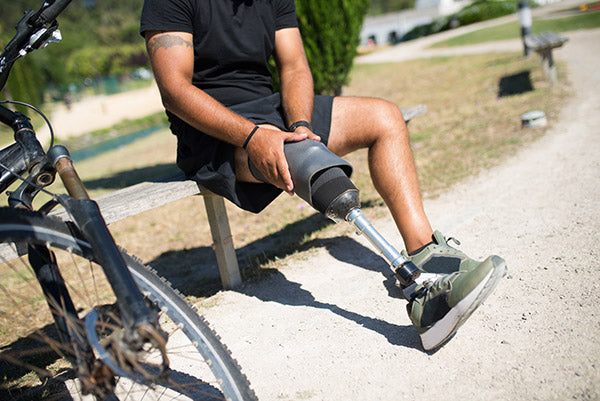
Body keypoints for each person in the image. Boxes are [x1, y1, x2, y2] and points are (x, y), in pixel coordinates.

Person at [139, 0, 506, 351]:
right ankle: (424, 298)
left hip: (274, 113)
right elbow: (175, 90)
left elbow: (295, 64)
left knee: (385, 118)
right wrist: (253, 136)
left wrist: (300, 124)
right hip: (213, 134)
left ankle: (426, 253)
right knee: (306, 160)